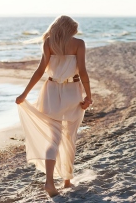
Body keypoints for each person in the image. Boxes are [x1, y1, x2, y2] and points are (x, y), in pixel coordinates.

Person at [15, 15, 92, 197]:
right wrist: (89, 96)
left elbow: (40, 70)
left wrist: (24, 94)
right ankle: (66, 180)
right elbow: (82, 71)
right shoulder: (79, 44)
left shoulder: (48, 43)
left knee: (54, 139)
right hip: (72, 91)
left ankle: (49, 182)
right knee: (69, 136)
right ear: (70, 29)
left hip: (50, 92)